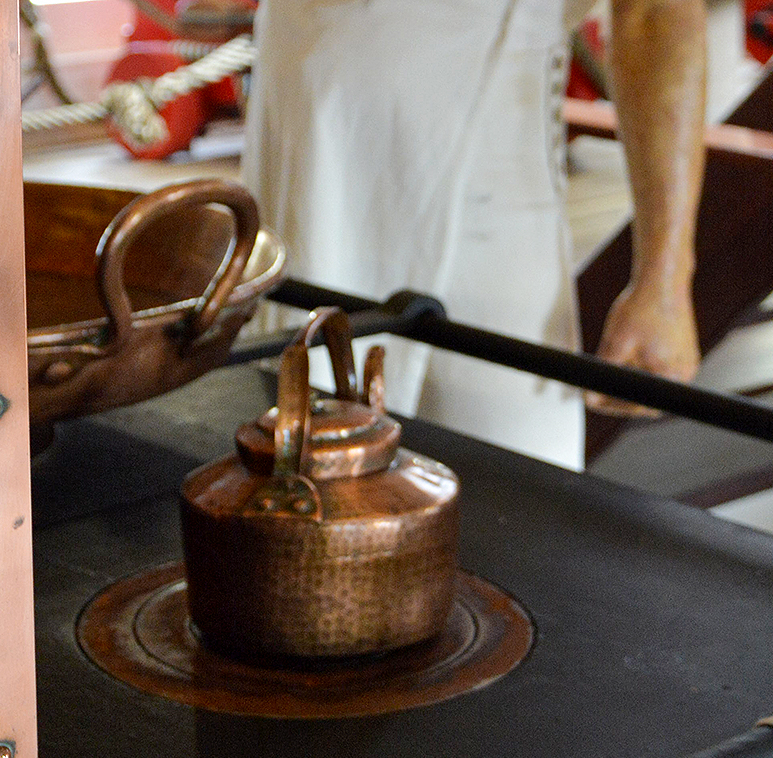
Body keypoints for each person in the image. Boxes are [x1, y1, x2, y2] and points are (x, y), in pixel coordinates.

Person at [242, 0, 706, 470]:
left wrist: (664, 280)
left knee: (515, 482)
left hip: (486, 186)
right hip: (309, 160)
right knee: (296, 462)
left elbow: (653, 12)